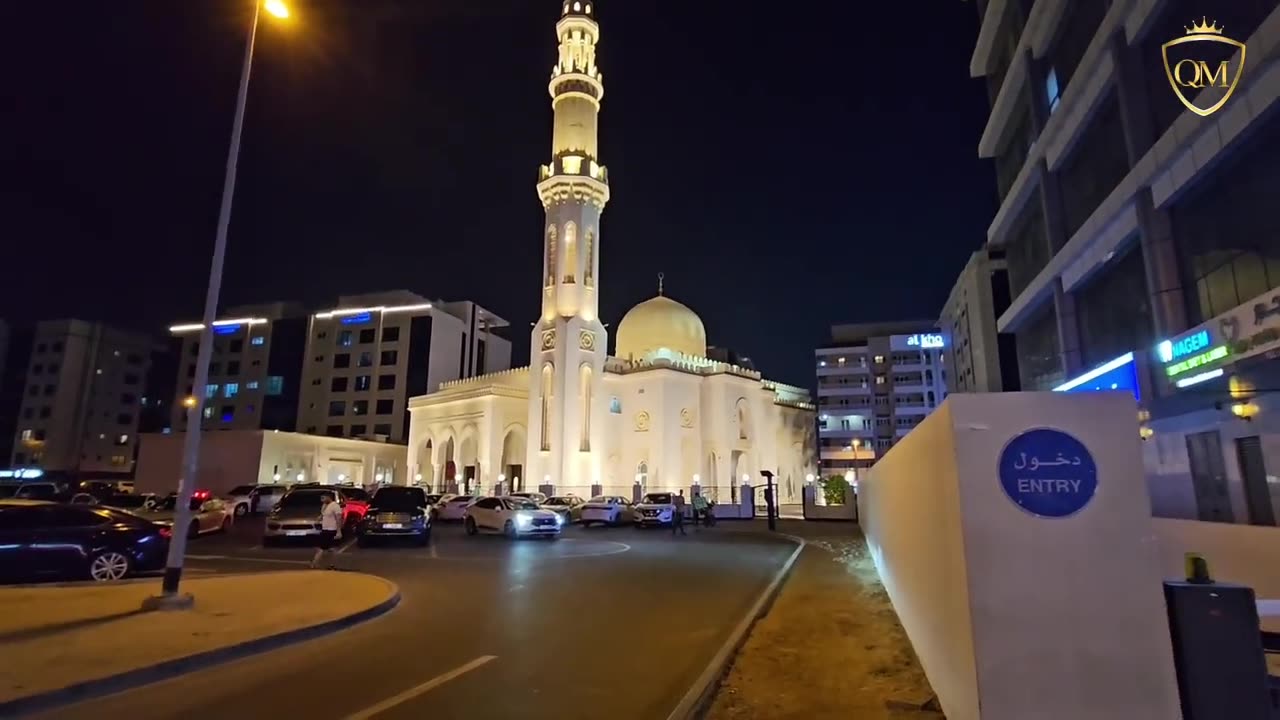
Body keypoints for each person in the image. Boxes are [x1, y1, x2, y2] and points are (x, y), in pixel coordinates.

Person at [312, 492, 345, 569]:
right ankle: (331, 564)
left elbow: (339, 518)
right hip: (325, 529)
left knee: (324, 548)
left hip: (332, 530)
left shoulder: (335, 506)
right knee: (329, 548)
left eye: (323, 498)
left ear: (328, 497)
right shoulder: (324, 506)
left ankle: (315, 563)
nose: (322, 500)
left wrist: (339, 531)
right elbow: (323, 515)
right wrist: (319, 519)